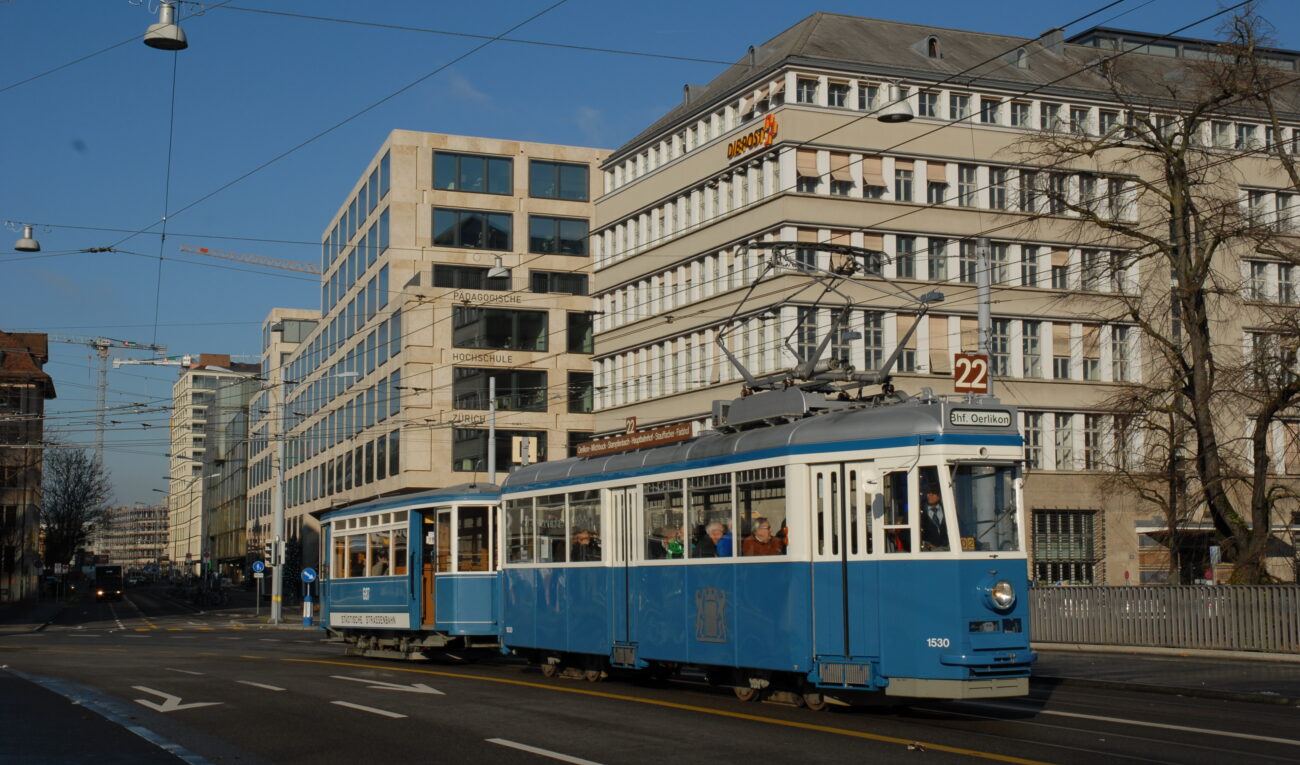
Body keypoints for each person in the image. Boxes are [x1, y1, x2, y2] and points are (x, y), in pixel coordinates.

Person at [919, 485, 949, 551]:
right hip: (926, 554)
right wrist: (925, 546)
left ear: (939, 496)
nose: (930, 495)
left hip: (947, 551)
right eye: (928, 493)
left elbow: (960, 527)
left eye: (933, 493)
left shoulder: (948, 510)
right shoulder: (918, 511)